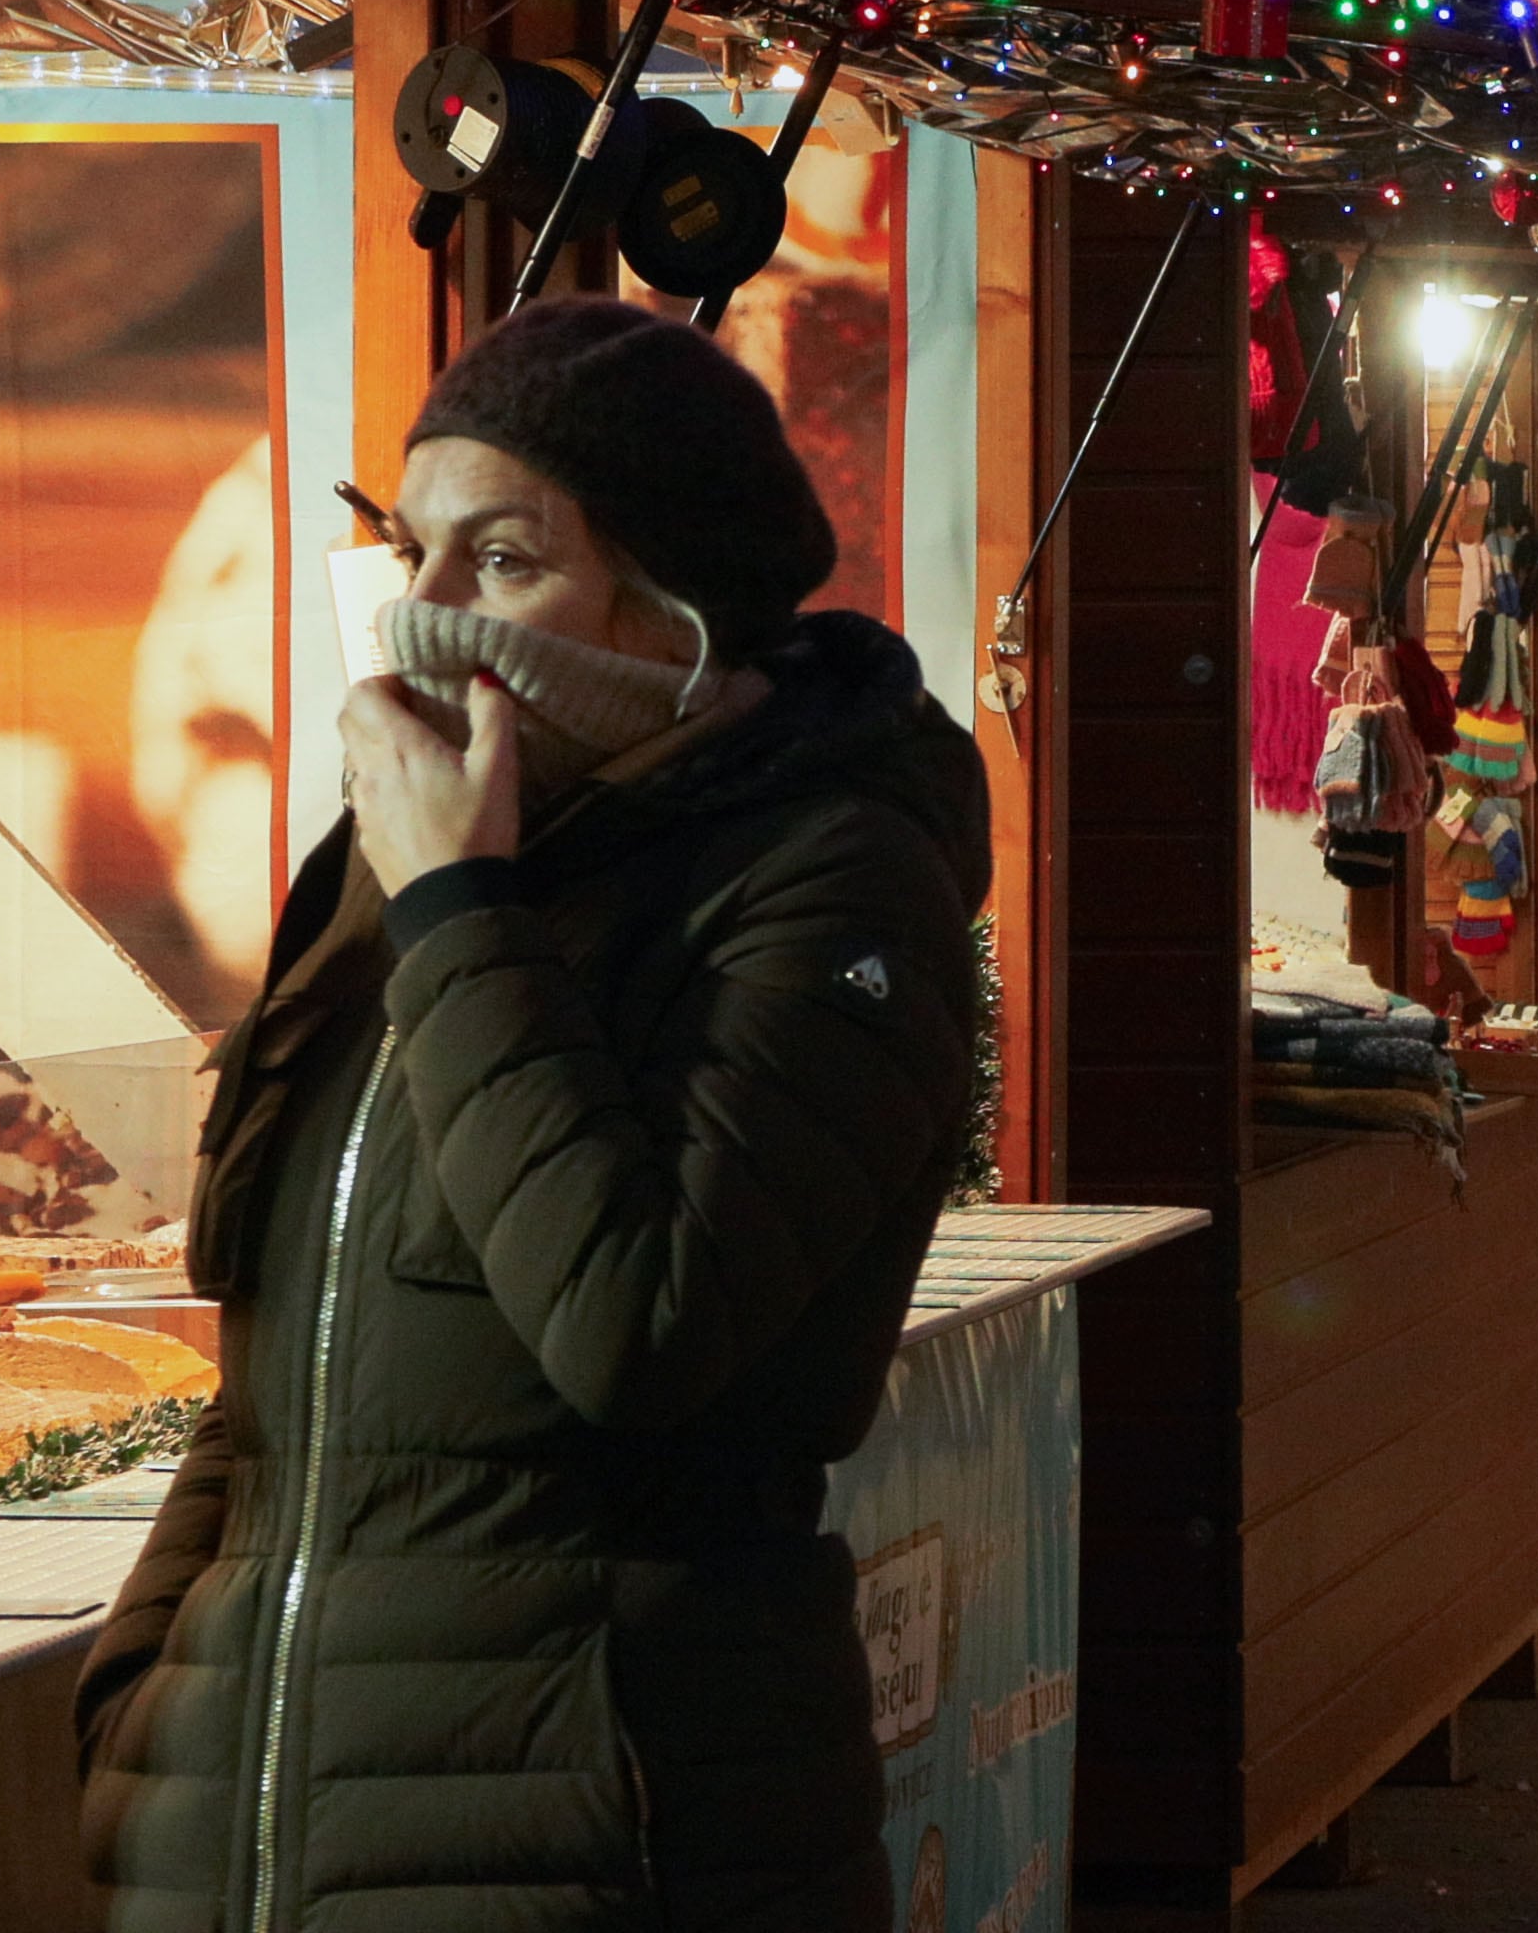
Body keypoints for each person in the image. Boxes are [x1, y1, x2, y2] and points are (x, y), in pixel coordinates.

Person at [73, 298, 991, 1931]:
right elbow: (276, 1370)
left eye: (499, 565)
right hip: (265, 1844)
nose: (421, 619)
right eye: (408, 553)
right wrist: (149, 1707)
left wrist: (463, 914)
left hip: (605, 1834)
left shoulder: (832, 887)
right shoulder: (397, 873)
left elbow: (642, 1330)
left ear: (672, 611)